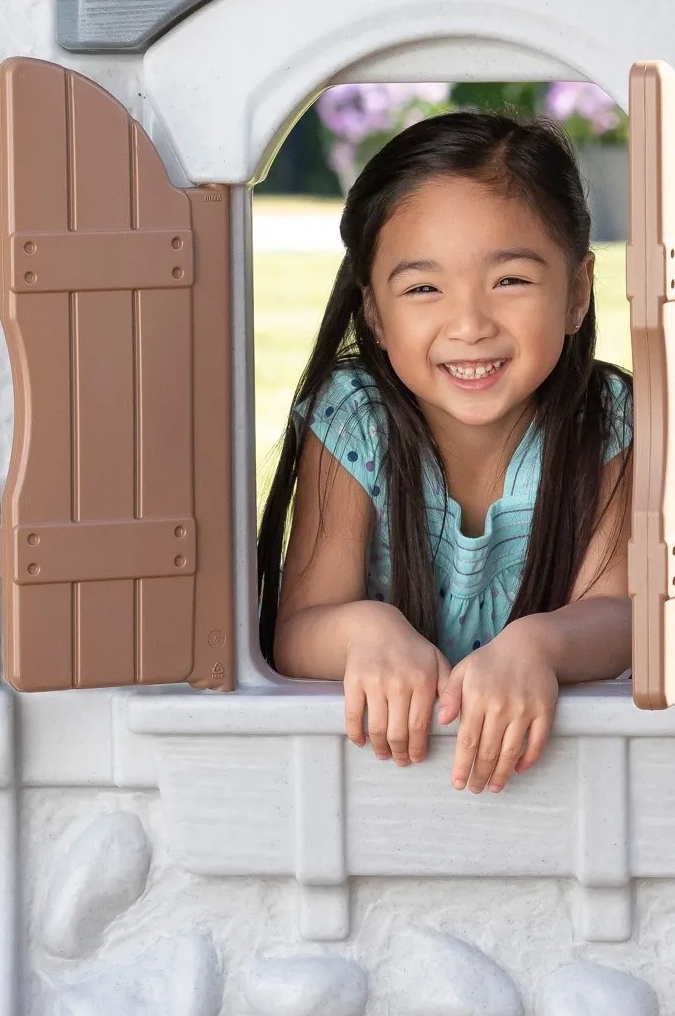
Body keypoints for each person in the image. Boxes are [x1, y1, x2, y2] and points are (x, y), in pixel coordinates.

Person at [257, 111, 632, 796]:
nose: (469, 325)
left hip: (557, 783)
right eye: (423, 288)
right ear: (374, 313)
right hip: (380, 785)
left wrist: (539, 646)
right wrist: (366, 633)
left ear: (577, 291)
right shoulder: (355, 419)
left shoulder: (606, 422)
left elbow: (621, 615)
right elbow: (298, 632)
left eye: (510, 280)